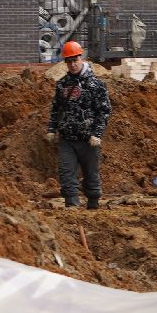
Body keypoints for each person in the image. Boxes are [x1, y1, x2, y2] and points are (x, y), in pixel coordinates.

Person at [45, 40, 111, 209]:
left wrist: (97, 133)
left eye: (75, 60)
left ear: (81, 58)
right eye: (69, 61)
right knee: (67, 174)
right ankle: (72, 207)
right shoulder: (62, 84)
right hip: (67, 139)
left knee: (91, 174)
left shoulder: (95, 84)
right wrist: (51, 129)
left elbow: (103, 111)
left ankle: (93, 205)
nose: (72, 64)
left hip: (88, 139)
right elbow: (56, 109)